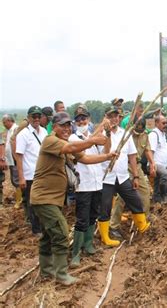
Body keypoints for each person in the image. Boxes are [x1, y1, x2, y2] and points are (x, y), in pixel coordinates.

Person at [30, 112, 114, 285]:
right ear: (54, 127)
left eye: (69, 125)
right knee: (61, 233)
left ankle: (46, 271)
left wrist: (107, 156)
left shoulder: (66, 144)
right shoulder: (50, 140)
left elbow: (86, 158)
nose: (67, 129)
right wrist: (92, 141)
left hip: (54, 200)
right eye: (63, 125)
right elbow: (71, 149)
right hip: (43, 199)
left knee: (47, 235)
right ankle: (61, 274)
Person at [98, 106, 151, 247]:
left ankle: (143, 227)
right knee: (106, 207)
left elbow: (132, 156)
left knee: (135, 200)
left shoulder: (125, 134)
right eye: (110, 116)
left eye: (116, 116)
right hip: (107, 177)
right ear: (105, 118)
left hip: (122, 176)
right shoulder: (101, 134)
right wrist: (108, 134)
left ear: (120, 118)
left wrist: (135, 176)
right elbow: (106, 151)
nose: (113, 119)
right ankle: (105, 236)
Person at [68, 108, 108, 267]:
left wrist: (106, 133)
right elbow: (84, 147)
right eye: (78, 120)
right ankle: (75, 253)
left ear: (88, 119)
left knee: (93, 215)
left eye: (84, 119)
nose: (81, 122)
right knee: (82, 218)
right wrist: (99, 129)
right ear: (75, 122)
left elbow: (103, 150)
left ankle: (88, 244)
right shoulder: (73, 137)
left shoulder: (94, 137)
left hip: (97, 183)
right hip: (83, 186)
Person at [110, 117, 155, 238]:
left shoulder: (145, 134)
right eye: (137, 130)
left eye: (141, 130)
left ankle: (143, 218)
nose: (138, 132)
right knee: (121, 197)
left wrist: (152, 163)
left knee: (145, 191)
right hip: (124, 166)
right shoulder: (126, 135)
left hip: (137, 166)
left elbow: (147, 149)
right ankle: (114, 225)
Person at [15, 106, 48, 234]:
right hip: (30, 175)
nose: (36, 119)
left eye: (38, 116)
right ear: (28, 118)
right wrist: (21, 177)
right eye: (33, 116)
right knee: (32, 202)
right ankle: (36, 228)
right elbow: (19, 156)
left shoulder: (44, 132)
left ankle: (43, 225)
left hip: (44, 173)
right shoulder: (23, 134)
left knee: (44, 200)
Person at [149, 115, 167, 204]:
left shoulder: (163, 134)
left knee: (157, 183)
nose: (165, 125)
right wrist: (152, 165)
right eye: (163, 123)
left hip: (162, 164)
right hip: (156, 163)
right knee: (165, 175)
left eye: (166, 123)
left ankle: (156, 201)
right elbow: (150, 151)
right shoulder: (154, 134)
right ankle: (163, 195)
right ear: (157, 123)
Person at [2, 114, 21, 209]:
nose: (3, 124)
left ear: (9, 121)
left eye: (4, 122)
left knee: (17, 180)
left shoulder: (16, 129)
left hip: (15, 159)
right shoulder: (10, 130)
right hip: (12, 159)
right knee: (15, 180)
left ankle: (19, 200)